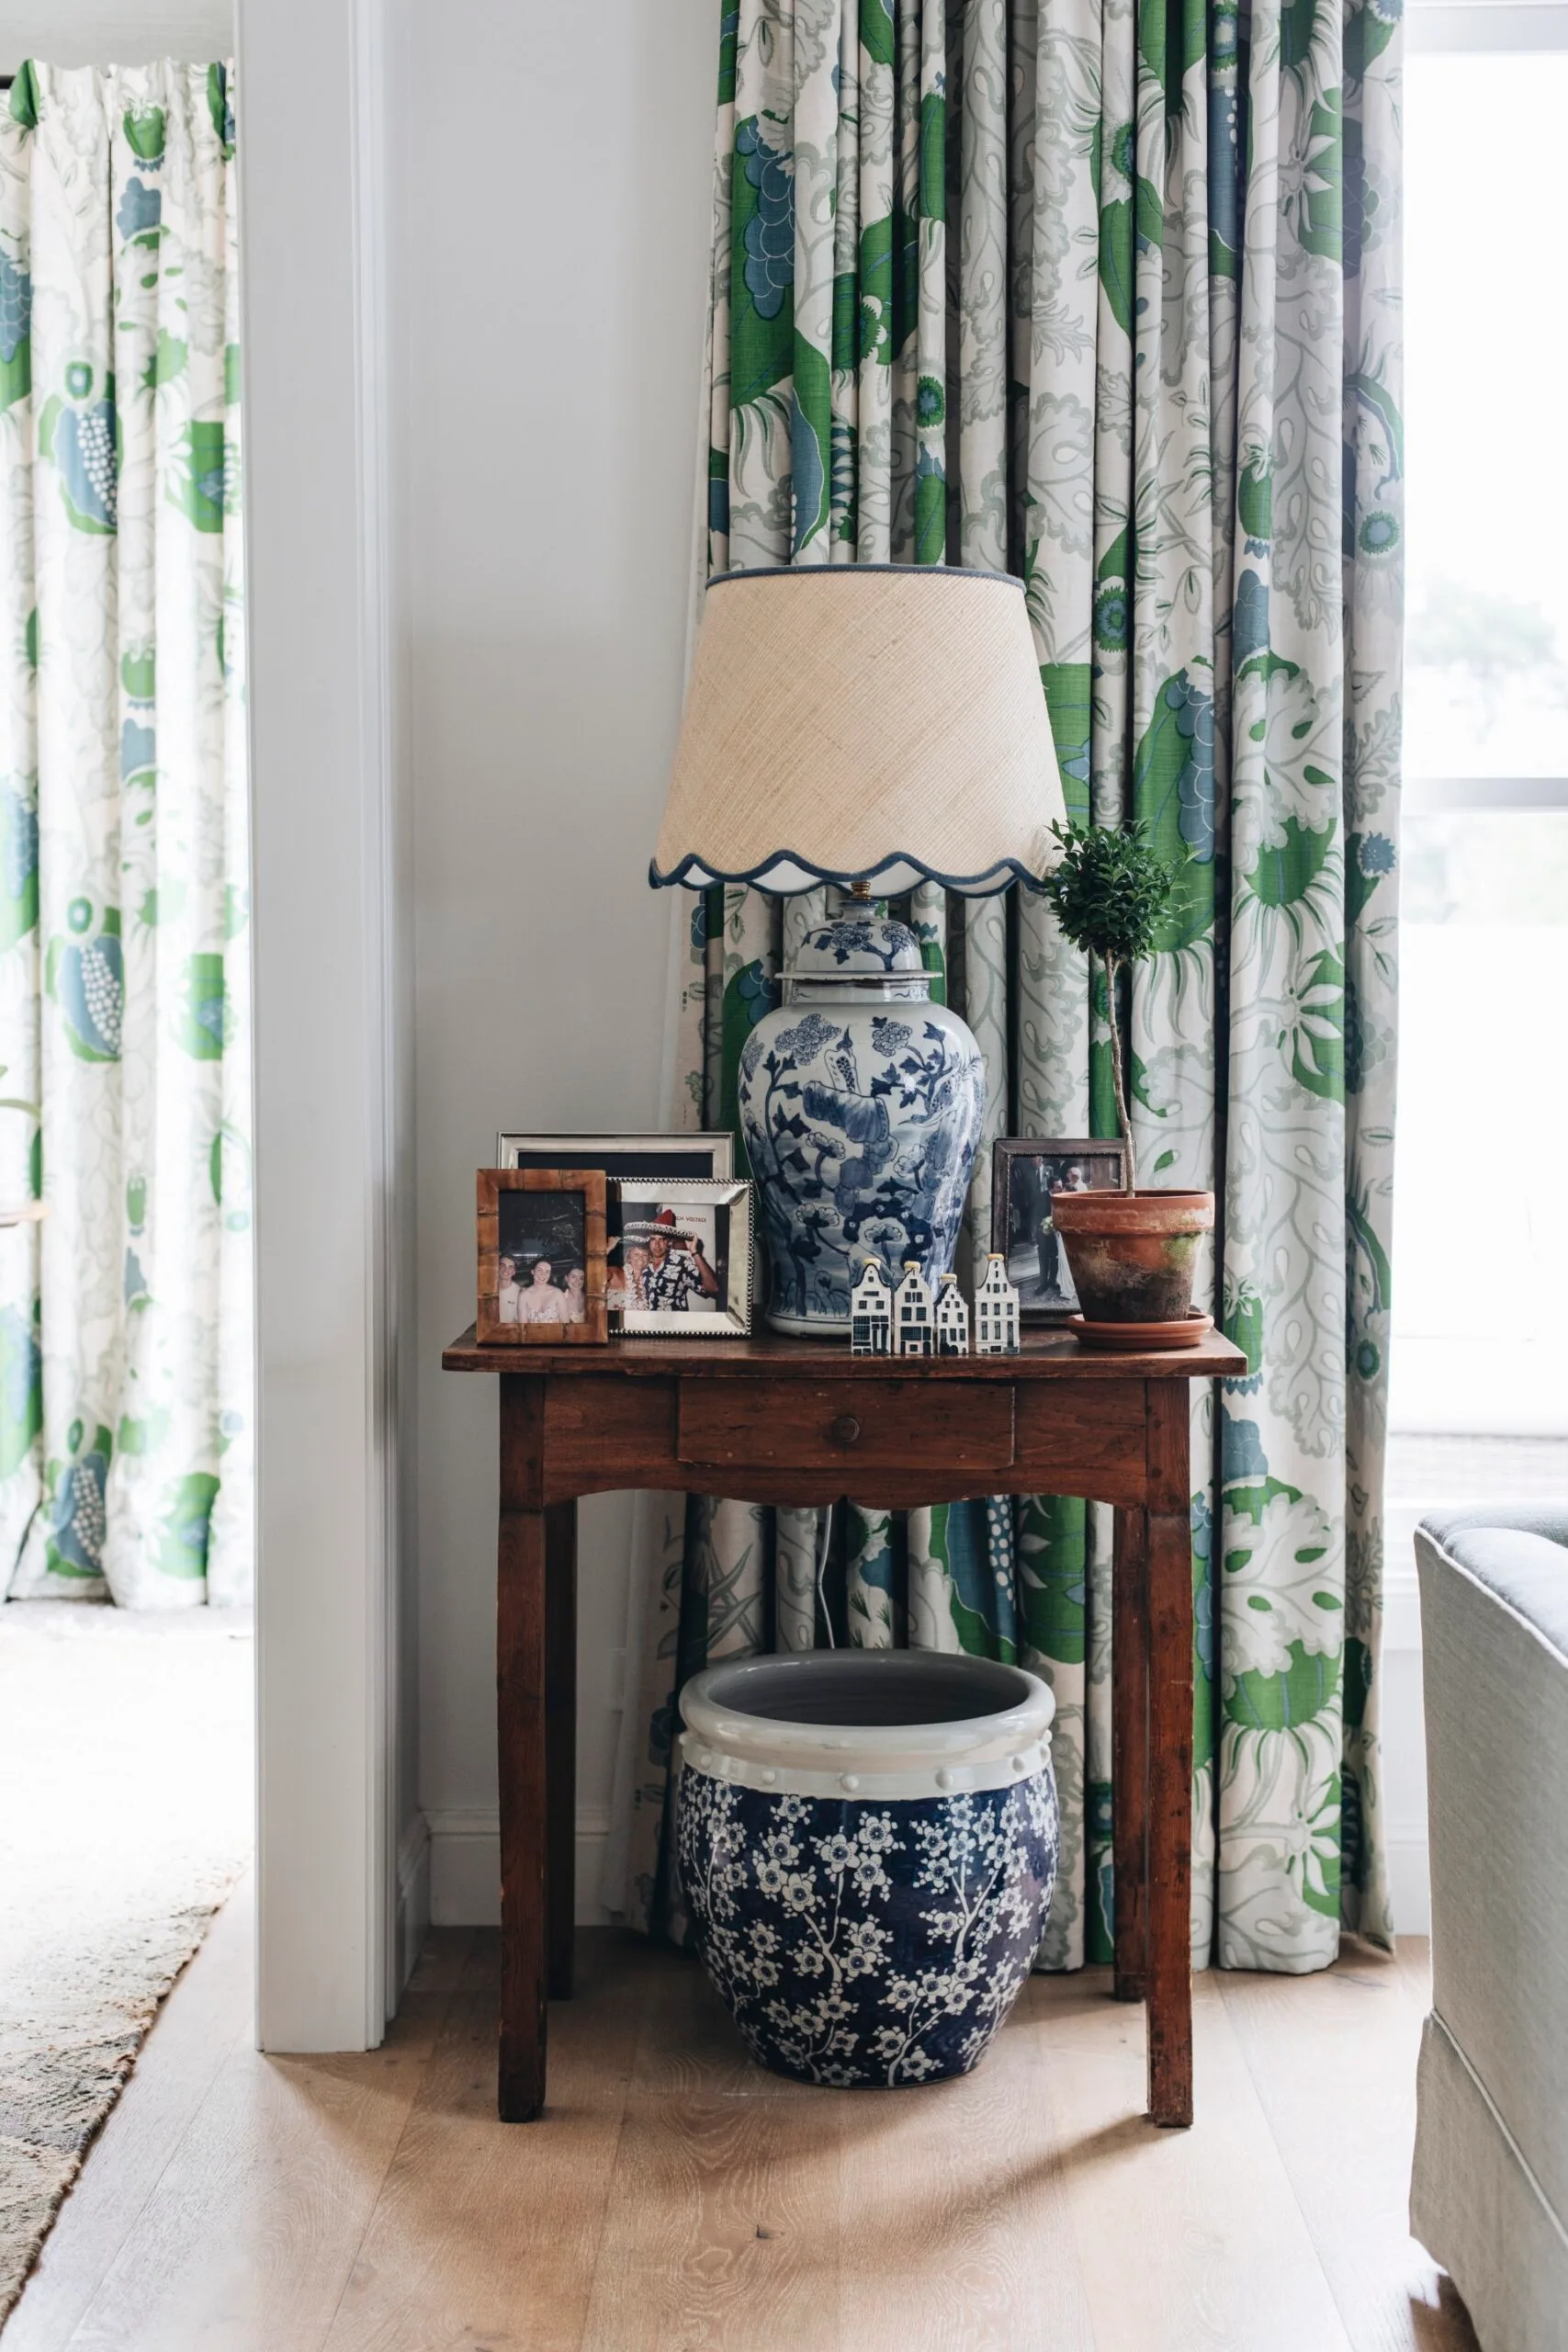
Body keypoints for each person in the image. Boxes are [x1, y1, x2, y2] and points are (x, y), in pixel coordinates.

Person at [643, 1208, 718, 1310]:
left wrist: (694, 1252)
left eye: (662, 1239)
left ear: (669, 1242)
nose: (657, 1244)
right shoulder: (641, 1262)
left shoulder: (681, 1263)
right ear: (649, 1240)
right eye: (653, 1239)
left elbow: (712, 1288)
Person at [516, 1257, 569, 1323]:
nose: (543, 1274)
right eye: (540, 1270)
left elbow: (566, 1322)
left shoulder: (557, 1293)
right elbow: (523, 1325)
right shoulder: (524, 1295)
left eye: (547, 1272)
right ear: (532, 1272)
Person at [496, 1254, 523, 1323]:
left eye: (510, 1267)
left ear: (514, 1272)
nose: (505, 1270)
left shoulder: (520, 1293)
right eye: (502, 1266)